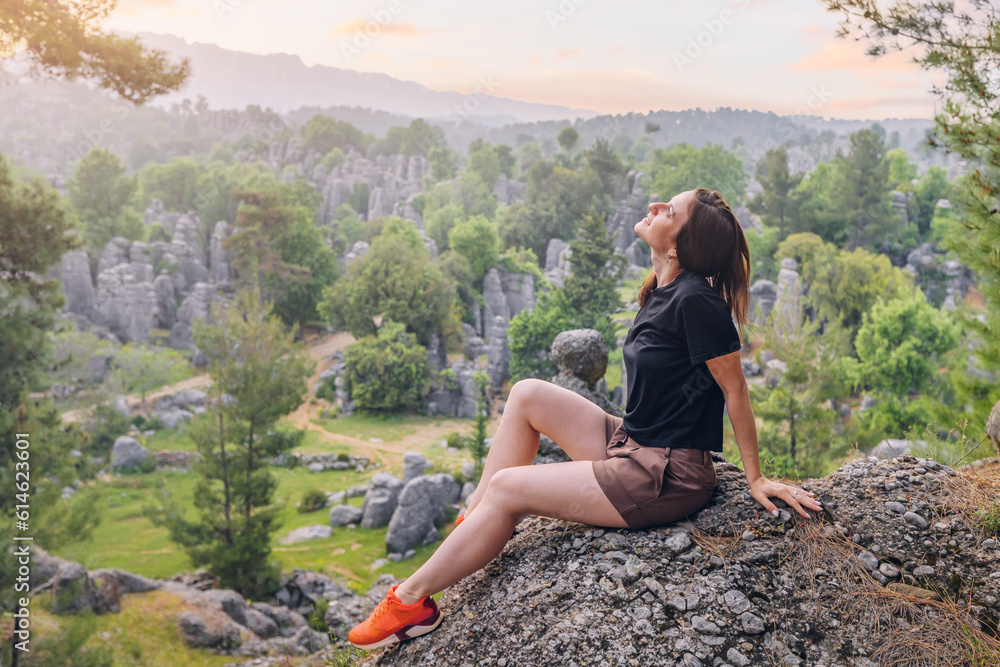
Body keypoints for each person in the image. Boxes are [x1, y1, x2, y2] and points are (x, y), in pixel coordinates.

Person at [347, 187, 823, 650]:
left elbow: (735, 388)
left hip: (664, 475)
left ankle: (411, 604)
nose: (656, 206)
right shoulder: (662, 289)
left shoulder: (697, 301)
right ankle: (475, 523)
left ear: (677, 244)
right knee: (527, 395)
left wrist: (756, 477)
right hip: (632, 440)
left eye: (670, 211)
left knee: (509, 487)